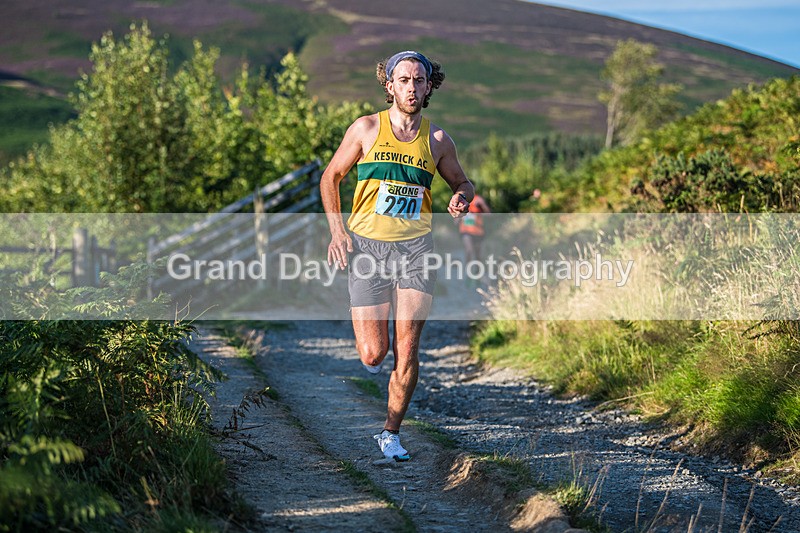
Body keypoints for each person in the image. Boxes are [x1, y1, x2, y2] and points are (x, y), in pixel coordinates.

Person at [320, 50, 474, 462]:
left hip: (416, 250)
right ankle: (374, 356)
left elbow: (463, 181)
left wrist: (460, 197)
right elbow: (331, 176)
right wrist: (337, 230)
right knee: (374, 352)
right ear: (389, 85)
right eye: (403, 80)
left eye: (418, 80)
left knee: (408, 347)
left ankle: (391, 432)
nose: (411, 87)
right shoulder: (367, 128)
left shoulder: (438, 140)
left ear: (429, 86)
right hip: (367, 248)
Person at [458, 193, 491, 264]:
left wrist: (482, 206)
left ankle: (478, 270)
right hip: (466, 231)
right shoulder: (460, 201)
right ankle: (468, 270)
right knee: (469, 250)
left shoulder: (479, 199)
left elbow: (489, 214)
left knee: (478, 254)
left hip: (478, 231)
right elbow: (456, 219)